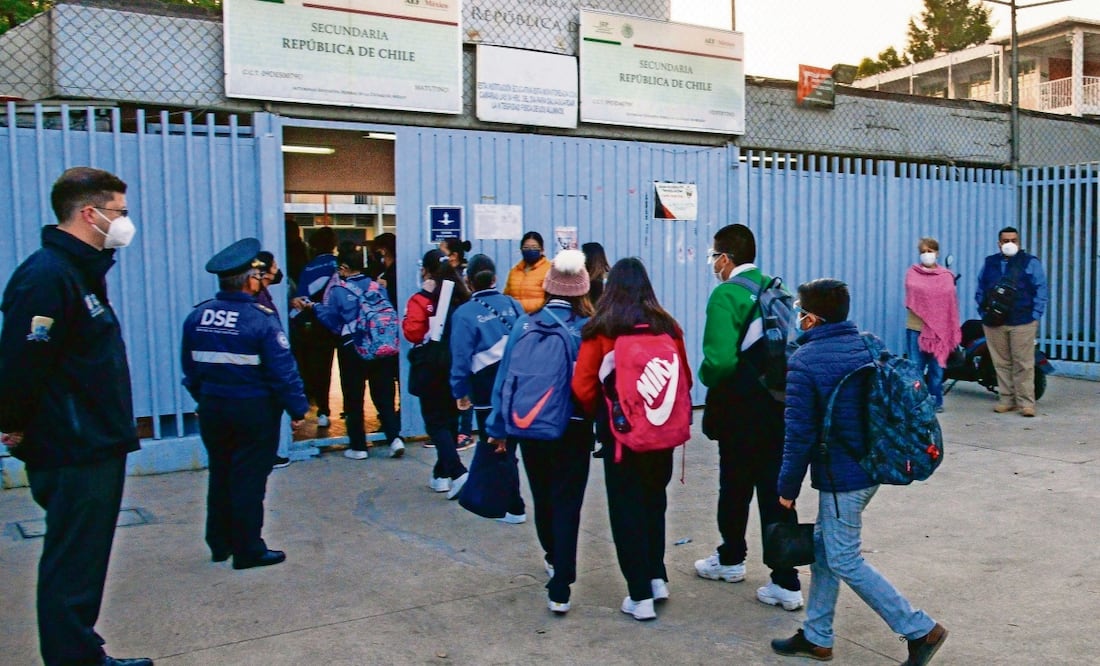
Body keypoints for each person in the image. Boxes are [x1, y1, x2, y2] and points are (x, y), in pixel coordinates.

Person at [0, 167, 153, 666]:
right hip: (72, 444)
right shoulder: (48, 275)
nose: (125, 222)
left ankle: (82, 654)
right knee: (72, 564)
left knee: (83, 563)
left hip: (92, 441)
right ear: (89, 214)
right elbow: (23, 361)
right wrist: (15, 425)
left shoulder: (78, 272)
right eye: (119, 212)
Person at [771, 278, 948, 665]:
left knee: (844, 559)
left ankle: (920, 629)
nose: (797, 317)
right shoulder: (868, 344)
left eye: (801, 311)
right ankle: (817, 636)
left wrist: (786, 488)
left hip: (841, 478)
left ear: (812, 319)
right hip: (872, 465)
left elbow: (798, 434)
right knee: (825, 550)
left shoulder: (804, 362)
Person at [573, 257, 690, 621]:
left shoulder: (602, 327)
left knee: (626, 509)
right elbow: (683, 375)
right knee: (654, 502)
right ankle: (656, 577)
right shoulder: (667, 325)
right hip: (662, 433)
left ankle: (638, 596)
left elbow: (583, 385)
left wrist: (606, 414)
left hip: (621, 437)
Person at [181, 237, 309, 571]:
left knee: (220, 473)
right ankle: (248, 549)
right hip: (253, 412)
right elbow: (283, 372)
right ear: (252, 279)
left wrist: (205, 397)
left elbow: (190, 370)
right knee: (249, 480)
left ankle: (219, 543)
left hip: (212, 408)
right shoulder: (260, 319)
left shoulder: (198, 316)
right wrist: (298, 409)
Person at [695, 223, 803, 611]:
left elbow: (720, 360)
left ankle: (730, 559)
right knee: (776, 491)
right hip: (778, 402)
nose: (712, 264)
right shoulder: (778, 288)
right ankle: (786, 582)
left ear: (725, 258)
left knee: (735, 484)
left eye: (713, 257)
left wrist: (704, 377)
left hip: (740, 407)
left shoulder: (727, 294)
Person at [486, 249, 593, 614]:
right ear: (582, 290)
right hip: (573, 429)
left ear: (548, 288)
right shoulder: (587, 329)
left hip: (529, 428)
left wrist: (498, 428)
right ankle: (560, 584)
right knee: (568, 502)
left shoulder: (524, 324)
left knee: (543, 497)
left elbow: (505, 380)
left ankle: (552, 555)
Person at [301, 245, 405, 460]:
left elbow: (332, 321)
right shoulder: (378, 287)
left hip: (353, 349)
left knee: (354, 398)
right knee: (384, 395)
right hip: (381, 347)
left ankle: (358, 447)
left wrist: (313, 307)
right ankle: (394, 438)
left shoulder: (339, 291)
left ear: (345, 267)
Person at [449, 254, 526, 521]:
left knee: (496, 445)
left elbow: (460, 358)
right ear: (495, 278)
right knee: (510, 446)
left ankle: (513, 506)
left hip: (485, 389)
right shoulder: (513, 305)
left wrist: (460, 393)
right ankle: (508, 502)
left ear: (468, 281)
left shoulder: (464, 314)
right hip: (518, 385)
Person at [403, 248, 471, 496]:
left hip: (430, 365)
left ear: (426, 270)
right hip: (456, 364)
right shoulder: (461, 296)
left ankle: (457, 472)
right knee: (450, 421)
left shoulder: (421, 299)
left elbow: (412, 332)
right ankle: (441, 475)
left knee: (435, 422)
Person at [975, 226, 1047, 417]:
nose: (1009, 244)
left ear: (1019, 242)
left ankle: (1026, 403)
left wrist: (1035, 315)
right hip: (994, 321)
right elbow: (981, 287)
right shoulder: (990, 263)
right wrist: (983, 311)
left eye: (1013, 240)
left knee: (1023, 363)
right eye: (1005, 240)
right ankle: (1006, 399)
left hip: (1023, 321)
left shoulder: (1030, 262)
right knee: (1001, 363)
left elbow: (1041, 289)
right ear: (999, 243)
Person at [904, 238, 960, 413]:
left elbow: (950, 300)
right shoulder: (913, 273)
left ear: (937, 253)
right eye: (923, 251)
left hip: (939, 331)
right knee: (915, 368)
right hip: (916, 328)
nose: (927, 254)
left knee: (936, 371)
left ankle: (936, 401)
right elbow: (912, 291)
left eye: (930, 251)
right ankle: (916, 401)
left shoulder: (946, 276)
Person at [292, 226, 339, 428]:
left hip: (312, 323)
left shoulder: (309, 267)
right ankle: (347, 409)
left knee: (316, 368)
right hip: (337, 322)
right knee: (339, 369)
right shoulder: (337, 265)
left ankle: (322, 409)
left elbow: (301, 297)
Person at [441, 238, 477, 451]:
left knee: (465, 383)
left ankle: (464, 431)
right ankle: (453, 430)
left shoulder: (463, 276)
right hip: (453, 332)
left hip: (464, 332)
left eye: (443, 252)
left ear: (453, 255)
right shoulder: (449, 275)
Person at [504, 231, 552, 314]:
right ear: (521, 249)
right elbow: (506, 296)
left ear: (542, 250)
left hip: (539, 319)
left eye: (534, 247)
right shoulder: (514, 271)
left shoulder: (550, 270)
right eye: (526, 247)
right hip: (517, 319)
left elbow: (552, 299)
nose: (530, 250)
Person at [372, 232, 398, 309]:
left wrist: (388, 287)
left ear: (383, 250)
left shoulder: (395, 271)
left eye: (376, 249)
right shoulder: (381, 269)